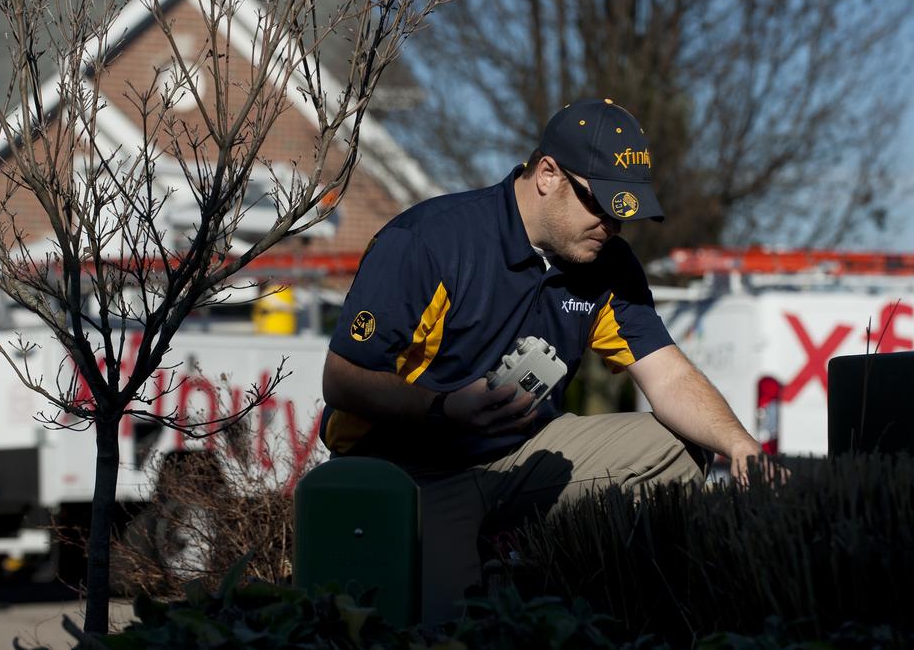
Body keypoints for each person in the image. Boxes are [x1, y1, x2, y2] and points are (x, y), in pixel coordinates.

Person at [319, 98, 768, 624]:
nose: (613, 227)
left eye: (626, 214)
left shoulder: (609, 264)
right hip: (407, 464)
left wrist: (742, 446)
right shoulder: (430, 240)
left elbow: (667, 374)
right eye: (602, 206)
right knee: (454, 626)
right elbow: (341, 379)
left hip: (522, 457)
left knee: (680, 447)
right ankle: (490, 562)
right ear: (548, 175)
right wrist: (443, 407)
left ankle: (595, 592)